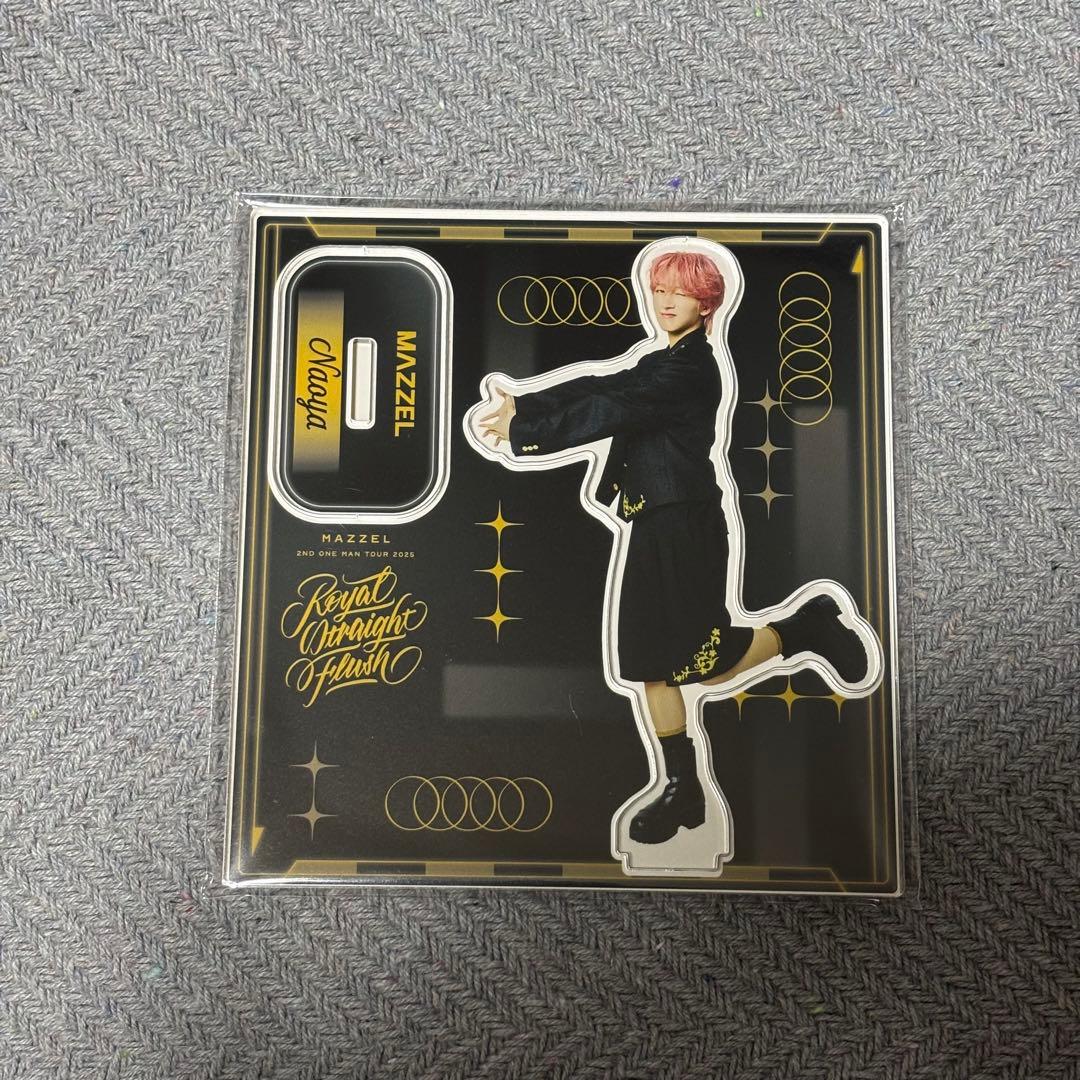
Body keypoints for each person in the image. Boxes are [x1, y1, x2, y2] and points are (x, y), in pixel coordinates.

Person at [477, 248, 871, 847]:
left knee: (704, 662)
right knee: (647, 664)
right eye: (659, 289)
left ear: (706, 303)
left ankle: (804, 629)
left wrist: (525, 433)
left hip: (686, 525)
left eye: (680, 292)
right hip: (650, 522)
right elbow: (601, 384)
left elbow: (612, 409)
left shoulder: (691, 370)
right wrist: (526, 405)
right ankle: (683, 789)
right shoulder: (660, 359)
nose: (664, 301)